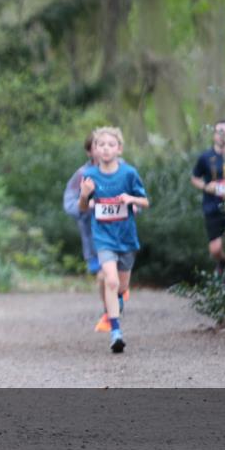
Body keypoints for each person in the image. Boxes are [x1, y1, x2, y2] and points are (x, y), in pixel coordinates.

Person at [78, 127, 149, 353]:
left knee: (121, 285)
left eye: (111, 144)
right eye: (101, 145)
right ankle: (116, 332)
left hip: (126, 237)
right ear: (95, 150)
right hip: (103, 237)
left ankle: (116, 301)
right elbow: (82, 208)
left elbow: (145, 201)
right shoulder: (90, 176)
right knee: (110, 280)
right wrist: (84, 195)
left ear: (119, 148)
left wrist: (131, 199)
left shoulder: (129, 173)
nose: (106, 148)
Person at [190, 120, 225, 276]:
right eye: (218, 132)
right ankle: (223, 262)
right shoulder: (206, 157)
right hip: (213, 206)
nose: (222, 136)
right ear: (213, 135)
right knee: (215, 249)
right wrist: (206, 186)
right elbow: (194, 178)